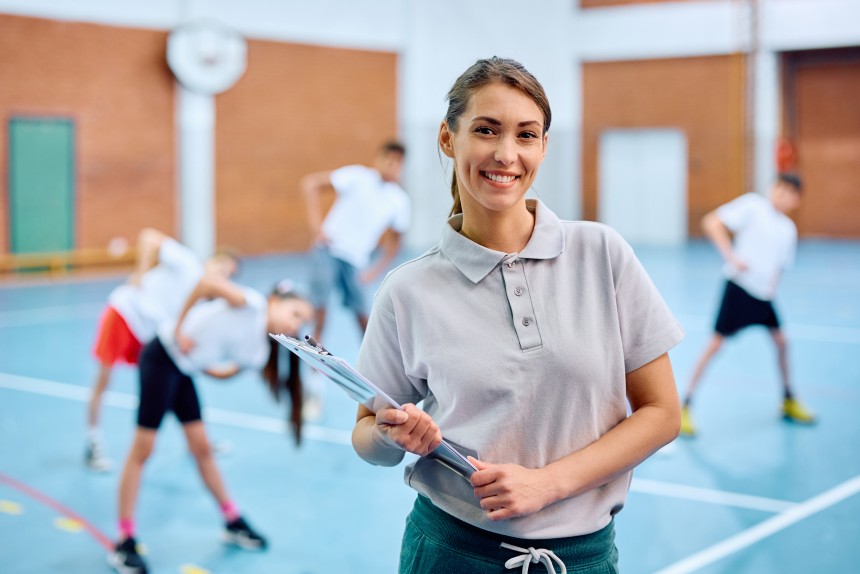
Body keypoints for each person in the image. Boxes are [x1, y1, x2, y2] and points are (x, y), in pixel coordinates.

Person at [351, 57, 684, 573]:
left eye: (526, 135)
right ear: (448, 138)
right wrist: (391, 435)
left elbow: (662, 413)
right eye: (486, 130)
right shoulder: (407, 290)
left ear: (543, 147)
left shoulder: (602, 254)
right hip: (449, 555)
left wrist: (547, 484)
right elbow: (366, 435)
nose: (506, 154)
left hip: (582, 558)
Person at [109, 276, 314, 574]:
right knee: (143, 449)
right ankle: (124, 540)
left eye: (302, 322)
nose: (296, 325)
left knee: (203, 449)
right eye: (295, 313)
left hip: (183, 370)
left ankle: (232, 521)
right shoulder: (249, 304)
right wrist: (179, 328)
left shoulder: (260, 351)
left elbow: (229, 371)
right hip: (161, 357)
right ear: (274, 301)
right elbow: (205, 283)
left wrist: (202, 365)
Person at [86, 228, 238, 471]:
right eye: (220, 269)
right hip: (124, 314)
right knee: (104, 380)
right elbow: (148, 237)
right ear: (211, 261)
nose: (220, 277)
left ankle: (196, 442)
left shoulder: (202, 301)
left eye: (226, 276)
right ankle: (93, 442)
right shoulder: (188, 263)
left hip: (149, 334)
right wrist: (140, 272)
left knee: (176, 380)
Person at [680, 174, 814, 437]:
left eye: (790, 193)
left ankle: (788, 399)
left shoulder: (788, 229)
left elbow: (780, 265)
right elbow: (712, 222)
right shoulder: (753, 206)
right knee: (715, 345)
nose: (783, 195)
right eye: (780, 189)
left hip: (764, 296)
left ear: (796, 200)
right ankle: (685, 405)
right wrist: (730, 256)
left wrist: (771, 286)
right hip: (739, 289)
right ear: (771, 188)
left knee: (782, 342)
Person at [300, 140, 411, 419]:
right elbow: (311, 184)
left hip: (356, 263)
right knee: (320, 320)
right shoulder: (357, 177)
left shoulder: (399, 201)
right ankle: (313, 390)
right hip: (327, 252)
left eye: (397, 162)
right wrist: (317, 228)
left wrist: (375, 270)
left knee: (367, 324)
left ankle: (381, 389)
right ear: (379, 158)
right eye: (388, 159)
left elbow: (396, 240)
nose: (392, 166)